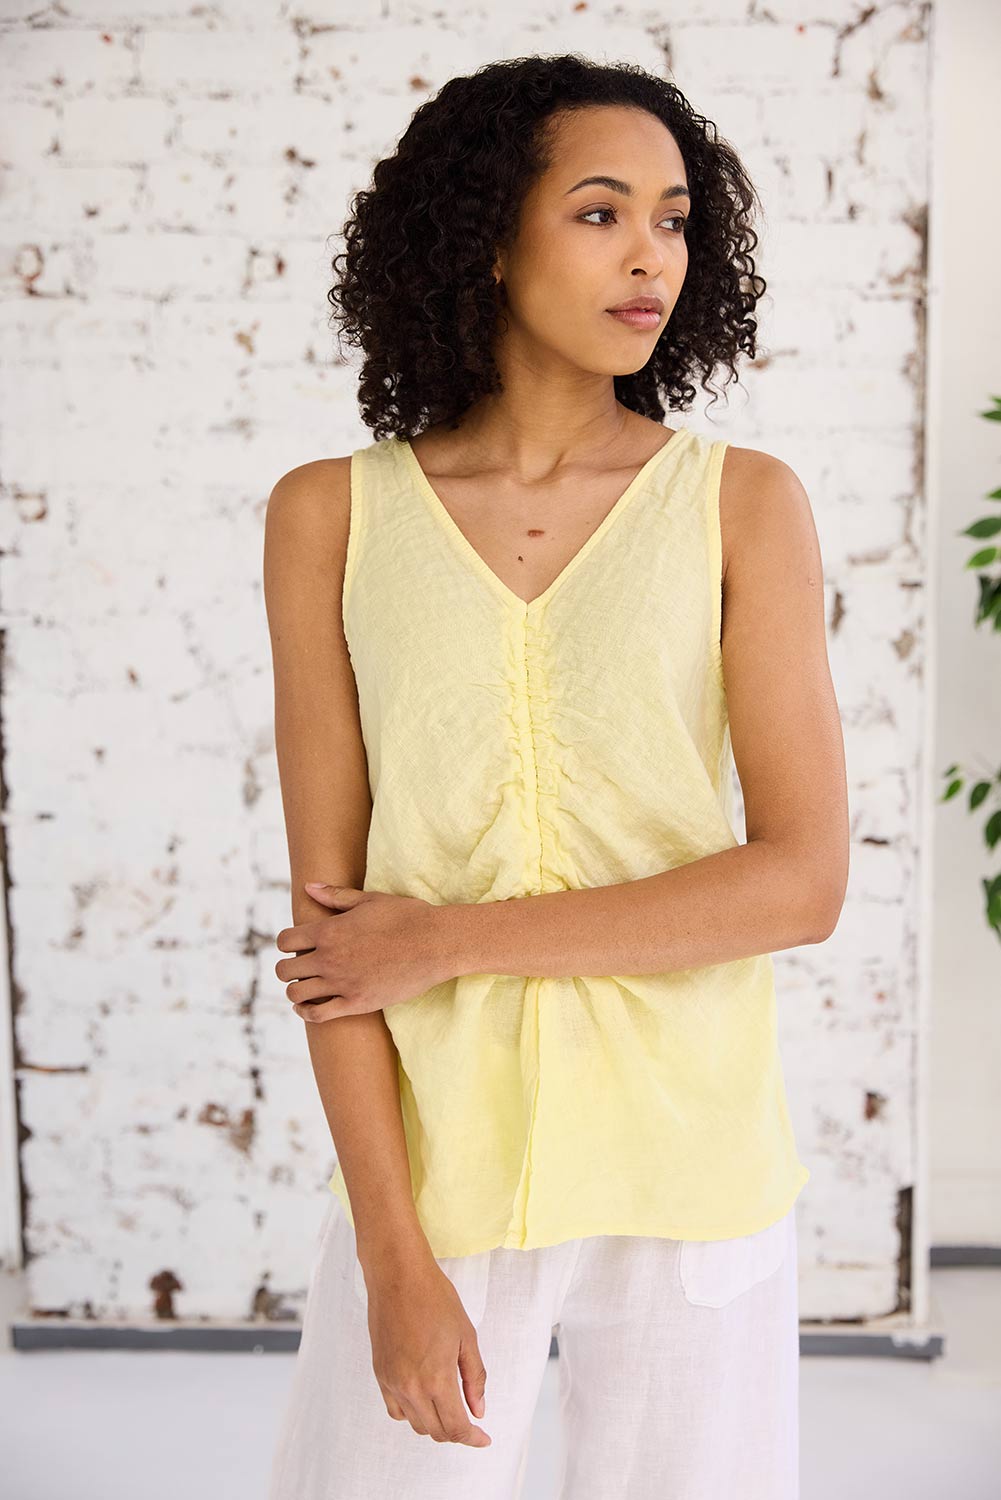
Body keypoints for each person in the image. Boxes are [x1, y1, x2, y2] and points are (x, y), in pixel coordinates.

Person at [263, 52, 848, 1500]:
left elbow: (802, 883)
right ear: (485, 236)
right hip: (441, 1171)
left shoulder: (741, 504)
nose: (652, 254)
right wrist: (391, 1257)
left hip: (693, 1167)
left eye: (673, 219)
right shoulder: (330, 516)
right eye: (600, 212)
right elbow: (336, 945)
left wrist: (447, 942)